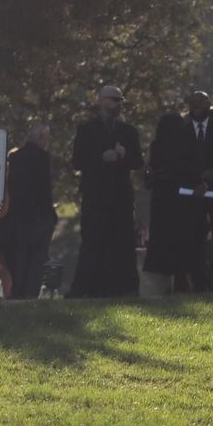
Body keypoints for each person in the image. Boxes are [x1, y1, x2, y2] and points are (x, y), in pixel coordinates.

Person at [69, 86, 143, 298]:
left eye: (120, 100)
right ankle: (86, 289)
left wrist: (124, 155)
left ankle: (125, 288)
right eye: (113, 99)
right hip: (96, 197)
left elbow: (137, 162)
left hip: (121, 197)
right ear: (100, 101)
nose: (118, 103)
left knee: (123, 243)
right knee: (93, 242)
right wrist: (101, 158)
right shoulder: (86, 129)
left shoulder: (128, 131)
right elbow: (77, 162)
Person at [176, 90, 213, 292]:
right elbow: (178, 161)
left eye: (202, 105)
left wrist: (208, 183)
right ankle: (189, 283)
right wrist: (199, 179)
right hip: (188, 193)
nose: (198, 109)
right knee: (189, 239)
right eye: (195, 105)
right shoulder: (180, 130)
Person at [5, 123, 58, 299]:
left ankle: (17, 292)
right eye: (47, 137)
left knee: (21, 258)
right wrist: (51, 215)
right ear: (41, 138)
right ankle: (30, 295)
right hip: (39, 217)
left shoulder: (15, 157)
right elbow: (44, 190)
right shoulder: (42, 157)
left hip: (19, 217)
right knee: (37, 260)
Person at [143, 112, 190, 283]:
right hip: (181, 197)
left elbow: (146, 168)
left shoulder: (156, 146)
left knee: (160, 237)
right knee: (179, 238)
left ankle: (159, 278)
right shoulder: (185, 145)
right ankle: (180, 280)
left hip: (160, 197)